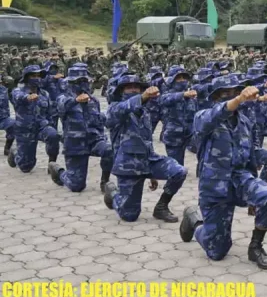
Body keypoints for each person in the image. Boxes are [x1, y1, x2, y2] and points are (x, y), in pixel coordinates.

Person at [180, 76, 267, 270]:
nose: (234, 96)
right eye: (226, 94)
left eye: (236, 92)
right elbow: (217, 114)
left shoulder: (244, 123)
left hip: (240, 180)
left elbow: (251, 156)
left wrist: (254, 198)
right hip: (215, 186)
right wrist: (238, 100)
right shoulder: (203, 117)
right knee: (217, 251)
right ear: (216, 97)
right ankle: (195, 222)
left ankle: (256, 247)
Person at [103, 75, 187, 223]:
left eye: (137, 87)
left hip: (148, 160)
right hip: (128, 166)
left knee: (179, 171)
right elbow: (122, 109)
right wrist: (143, 97)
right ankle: (114, 195)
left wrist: (152, 174)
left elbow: (147, 141)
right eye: (129, 87)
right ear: (121, 91)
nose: (133, 89)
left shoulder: (145, 112)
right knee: (129, 215)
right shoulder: (115, 108)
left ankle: (161, 207)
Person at [49, 64, 112, 192]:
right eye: (79, 81)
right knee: (77, 186)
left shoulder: (93, 100)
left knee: (109, 150)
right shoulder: (64, 98)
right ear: (71, 82)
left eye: (85, 80)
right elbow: (61, 108)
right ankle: (59, 172)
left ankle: (104, 181)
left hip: (94, 141)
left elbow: (99, 122)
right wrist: (76, 100)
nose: (83, 84)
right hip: (75, 145)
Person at [7, 65, 60, 173]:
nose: (37, 78)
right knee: (26, 167)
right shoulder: (18, 91)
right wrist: (27, 97)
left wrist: (50, 125)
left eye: (39, 75)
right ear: (26, 78)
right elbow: (17, 97)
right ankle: (15, 153)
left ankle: (52, 164)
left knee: (53, 134)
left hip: (41, 127)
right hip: (25, 130)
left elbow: (50, 113)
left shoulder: (45, 94)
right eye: (33, 75)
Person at [158, 66, 198, 166]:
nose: (182, 81)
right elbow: (165, 100)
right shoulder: (167, 94)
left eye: (184, 78)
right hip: (174, 137)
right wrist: (183, 95)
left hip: (190, 134)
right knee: (176, 167)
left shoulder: (191, 95)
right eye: (179, 78)